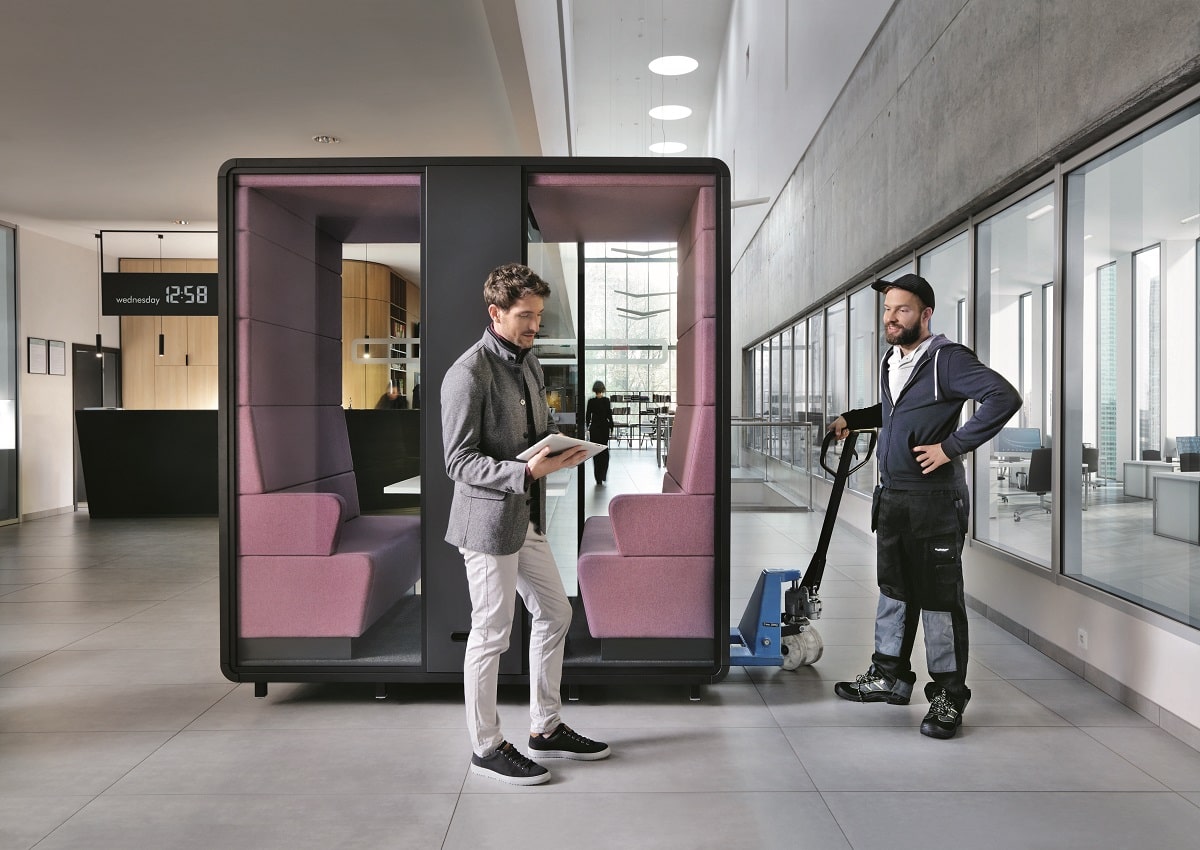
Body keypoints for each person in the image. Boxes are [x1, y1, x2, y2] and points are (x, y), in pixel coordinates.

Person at [827, 273, 1021, 739]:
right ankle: (889, 676)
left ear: (926, 314)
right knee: (893, 590)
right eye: (889, 309)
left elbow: (1004, 397)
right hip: (892, 497)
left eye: (903, 310)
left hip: (935, 502)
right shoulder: (891, 358)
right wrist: (852, 419)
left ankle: (949, 696)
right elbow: (893, 412)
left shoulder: (947, 360)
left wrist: (951, 447)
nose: (892, 318)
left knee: (938, 601)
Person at [442, 262, 611, 785]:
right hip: (487, 525)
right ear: (495, 313)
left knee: (556, 614)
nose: (535, 324)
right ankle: (485, 745)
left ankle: (544, 726)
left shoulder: (530, 362)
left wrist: (562, 446)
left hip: (525, 519)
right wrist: (524, 470)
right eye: (525, 316)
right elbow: (458, 461)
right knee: (491, 634)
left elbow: (539, 429)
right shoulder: (467, 373)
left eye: (538, 315)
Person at [584, 380, 615, 485]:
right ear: (603, 389)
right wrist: (611, 427)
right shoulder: (606, 401)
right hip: (604, 428)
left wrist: (587, 428)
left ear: (594, 390)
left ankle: (598, 478)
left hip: (594, 429)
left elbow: (588, 416)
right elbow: (609, 416)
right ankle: (603, 475)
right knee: (605, 453)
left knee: (596, 454)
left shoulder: (591, 401)